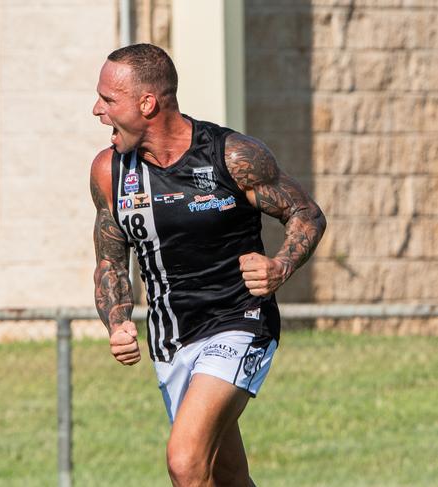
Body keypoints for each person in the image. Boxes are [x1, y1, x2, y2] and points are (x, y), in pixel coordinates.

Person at [90, 43, 326, 487]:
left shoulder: (232, 156)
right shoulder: (110, 171)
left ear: (147, 103)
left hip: (238, 322)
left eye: (108, 100)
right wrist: (118, 320)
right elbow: (111, 259)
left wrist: (280, 267)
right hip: (172, 341)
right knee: (227, 477)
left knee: (185, 461)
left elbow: (305, 214)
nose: (96, 110)